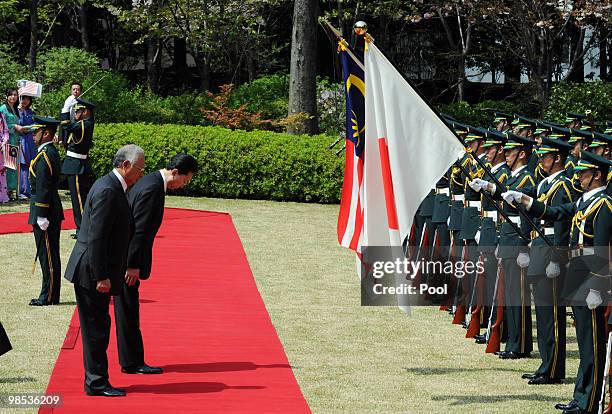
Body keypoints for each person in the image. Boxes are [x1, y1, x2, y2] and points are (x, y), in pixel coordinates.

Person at [504, 151, 611, 414]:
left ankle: (590, 400)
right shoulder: (585, 202)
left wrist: (597, 287)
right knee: (585, 342)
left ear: (597, 175)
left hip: (591, 278)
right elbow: (554, 212)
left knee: (593, 344)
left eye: (583, 173)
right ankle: (580, 396)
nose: (578, 177)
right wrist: (525, 200)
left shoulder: (605, 205)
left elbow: (602, 250)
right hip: (578, 274)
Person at [64, 144, 145, 397]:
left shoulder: (112, 186)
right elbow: (97, 237)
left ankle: (97, 379)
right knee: (95, 328)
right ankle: (96, 382)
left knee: (99, 325)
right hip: (92, 271)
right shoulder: (109, 190)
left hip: (96, 268)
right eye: (140, 168)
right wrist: (101, 276)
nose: (142, 174)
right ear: (126, 165)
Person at [115, 154, 198, 375]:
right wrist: (132, 265)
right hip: (126, 259)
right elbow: (139, 229)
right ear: (175, 172)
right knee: (128, 310)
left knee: (128, 309)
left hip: (124, 254)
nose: (183, 185)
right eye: (185, 180)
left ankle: (131, 360)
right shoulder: (152, 187)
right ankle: (132, 362)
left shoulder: (151, 181)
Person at [469, 133, 536, 359]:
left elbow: (527, 217)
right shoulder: (513, 177)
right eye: (505, 151)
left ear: (522, 154)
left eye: (510, 151)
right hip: (507, 238)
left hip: (516, 241)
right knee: (509, 293)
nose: (506, 155)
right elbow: (502, 193)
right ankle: (513, 341)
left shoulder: (526, 179)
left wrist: (524, 246)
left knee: (518, 296)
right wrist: (487, 185)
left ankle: (520, 344)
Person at [518, 137, 575, 385]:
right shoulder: (545, 184)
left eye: (546, 157)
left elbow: (562, 225)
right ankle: (545, 364)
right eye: (540, 156)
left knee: (552, 314)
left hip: (551, 251)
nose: (541, 160)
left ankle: (553, 369)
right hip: (540, 248)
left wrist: (556, 257)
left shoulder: (562, 186)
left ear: (557, 158)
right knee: (542, 312)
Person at [28, 116, 65, 306]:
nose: (34, 134)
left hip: (46, 211)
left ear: (46, 134)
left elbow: (44, 186)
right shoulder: (46, 152)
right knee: (48, 255)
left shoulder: (46, 155)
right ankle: (49, 293)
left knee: (48, 256)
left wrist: (41, 214)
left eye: (37, 131)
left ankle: (49, 295)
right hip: (45, 209)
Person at [61, 98, 95, 238]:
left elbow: (66, 126)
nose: (75, 113)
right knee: (80, 199)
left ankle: (83, 229)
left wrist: (64, 111)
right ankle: (82, 228)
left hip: (77, 166)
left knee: (79, 200)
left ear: (85, 112)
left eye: (77, 110)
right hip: (76, 165)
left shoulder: (84, 125)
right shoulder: (84, 123)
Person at [0, 88, 28, 200]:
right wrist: (14, 127)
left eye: (15, 95)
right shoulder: (2, 108)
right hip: (6, 140)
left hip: (15, 139)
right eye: (10, 95)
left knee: (13, 166)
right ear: (7, 96)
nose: (13, 97)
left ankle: (12, 190)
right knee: (7, 166)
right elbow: (3, 126)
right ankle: (6, 191)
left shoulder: (15, 109)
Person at [18, 95, 38, 199]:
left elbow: (35, 125)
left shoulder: (30, 112)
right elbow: (18, 125)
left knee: (32, 163)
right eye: (23, 98)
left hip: (31, 140)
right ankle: (23, 190)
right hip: (21, 140)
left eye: (28, 99)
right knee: (23, 165)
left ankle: (31, 188)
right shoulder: (16, 111)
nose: (25, 101)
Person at [0, 112, 9, 203]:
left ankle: (2, 196)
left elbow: (5, 130)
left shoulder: (1, 115)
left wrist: (4, 141)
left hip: (1, 148)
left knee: (1, 172)